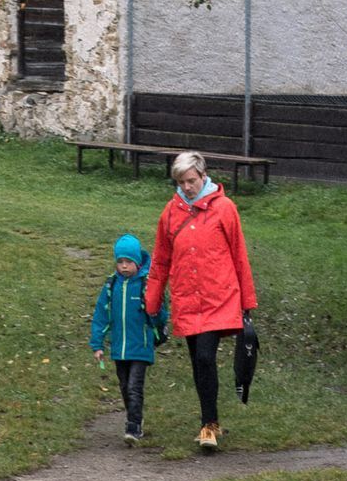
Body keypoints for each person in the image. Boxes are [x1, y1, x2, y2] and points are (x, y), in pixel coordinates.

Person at [145, 150, 257, 452]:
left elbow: (239, 255)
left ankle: (208, 425)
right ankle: (212, 421)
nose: (187, 187)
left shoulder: (225, 209)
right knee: (198, 362)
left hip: (219, 297)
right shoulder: (170, 213)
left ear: (203, 176)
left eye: (191, 180)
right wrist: (152, 301)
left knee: (206, 357)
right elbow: (160, 260)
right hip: (186, 297)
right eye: (181, 182)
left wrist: (247, 301)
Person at [89, 231, 168, 444]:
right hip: (119, 349)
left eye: (129, 262)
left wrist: (154, 306)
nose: (124, 266)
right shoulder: (111, 286)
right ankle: (133, 418)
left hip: (141, 347)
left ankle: (134, 426)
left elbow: (161, 315)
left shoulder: (146, 284)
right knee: (124, 386)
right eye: (120, 262)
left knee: (134, 386)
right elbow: (101, 315)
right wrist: (97, 345)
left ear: (138, 262)